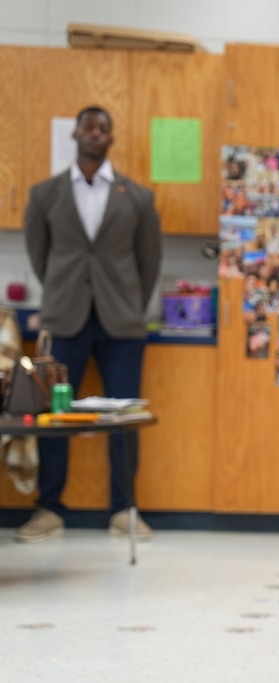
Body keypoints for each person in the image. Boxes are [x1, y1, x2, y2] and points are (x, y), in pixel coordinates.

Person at [19, 105, 162, 543]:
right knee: (54, 417)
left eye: (103, 128)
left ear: (111, 138)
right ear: (76, 134)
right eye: (88, 126)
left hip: (122, 323)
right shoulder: (45, 194)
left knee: (123, 419)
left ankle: (124, 510)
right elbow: (39, 255)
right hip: (65, 317)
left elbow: (149, 261)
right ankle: (49, 509)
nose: (95, 133)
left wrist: (129, 302)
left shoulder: (137, 198)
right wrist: (63, 290)